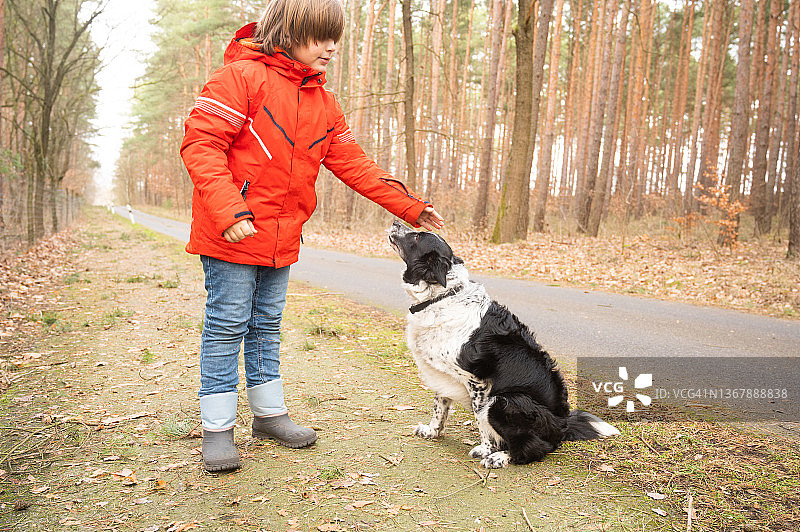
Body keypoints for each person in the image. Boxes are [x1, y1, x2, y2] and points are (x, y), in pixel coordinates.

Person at [180, 0, 443, 472]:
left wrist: (410, 207)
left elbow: (353, 163)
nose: (331, 47)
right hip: (233, 234)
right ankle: (217, 429)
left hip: (284, 237)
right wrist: (228, 210)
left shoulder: (323, 102)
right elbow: (201, 144)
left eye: (335, 38)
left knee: (267, 326)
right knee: (227, 326)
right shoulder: (238, 78)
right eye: (320, 37)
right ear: (288, 32)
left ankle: (269, 415)